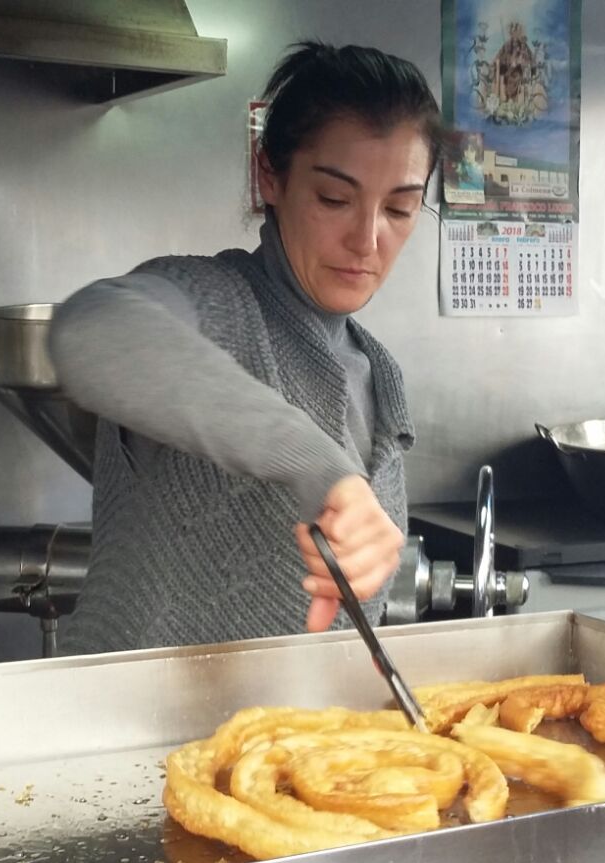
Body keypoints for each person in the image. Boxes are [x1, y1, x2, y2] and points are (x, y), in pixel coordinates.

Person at [46, 42, 442, 655]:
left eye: (400, 207)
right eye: (334, 199)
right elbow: (91, 331)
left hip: (307, 721)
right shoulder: (217, 305)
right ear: (269, 177)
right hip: (138, 715)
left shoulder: (380, 379)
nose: (367, 239)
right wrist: (321, 470)